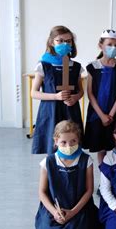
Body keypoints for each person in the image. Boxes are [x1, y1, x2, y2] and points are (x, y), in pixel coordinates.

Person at [35, 120, 98, 229]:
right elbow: (42, 192)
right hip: (53, 208)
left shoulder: (86, 160)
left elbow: (89, 191)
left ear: (78, 141)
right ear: (56, 141)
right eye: (63, 142)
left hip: (79, 208)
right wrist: (54, 212)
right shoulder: (48, 162)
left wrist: (73, 212)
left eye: (73, 141)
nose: (69, 145)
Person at [31, 26, 84, 154]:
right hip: (51, 111)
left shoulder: (76, 67)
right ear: (51, 42)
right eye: (60, 41)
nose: (65, 44)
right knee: (52, 147)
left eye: (68, 41)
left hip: (70, 110)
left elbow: (80, 91)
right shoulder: (44, 65)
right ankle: (52, 172)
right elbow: (34, 93)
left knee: (72, 146)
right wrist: (56, 96)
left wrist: (75, 97)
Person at [83, 30, 116, 163]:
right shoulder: (92, 66)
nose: (113, 48)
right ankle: (104, 179)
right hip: (97, 113)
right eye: (110, 44)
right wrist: (102, 116)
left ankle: (115, 175)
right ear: (101, 46)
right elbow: (90, 93)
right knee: (101, 146)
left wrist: (111, 115)